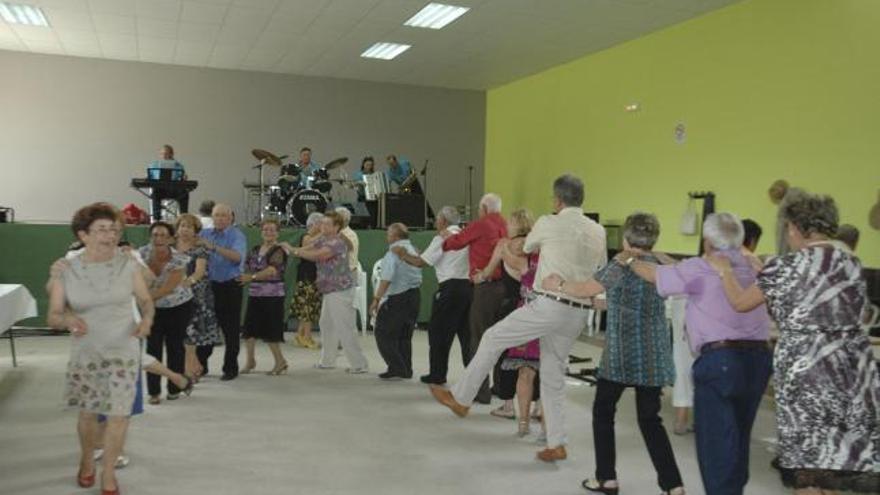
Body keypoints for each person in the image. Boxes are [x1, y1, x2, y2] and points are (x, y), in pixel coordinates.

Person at [708, 194, 880, 494]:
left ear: (794, 228)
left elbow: (740, 302)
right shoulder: (851, 263)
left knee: (807, 468)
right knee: (833, 463)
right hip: (850, 373)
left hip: (807, 375)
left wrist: (724, 271)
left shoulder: (786, 264)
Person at [431, 175, 606, 463]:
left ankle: (461, 399)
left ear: (557, 200)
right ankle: (556, 442)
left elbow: (526, 248)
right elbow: (599, 269)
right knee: (552, 376)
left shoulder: (549, 223)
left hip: (550, 303)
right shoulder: (597, 230)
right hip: (577, 311)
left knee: (492, 338)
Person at [626, 212, 771, 495]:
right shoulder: (754, 266)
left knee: (716, 447)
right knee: (738, 441)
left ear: (706, 242)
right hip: (758, 362)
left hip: (721, 362)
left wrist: (631, 260)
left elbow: (655, 275)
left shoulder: (702, 267)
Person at [543, 212, 684, 495]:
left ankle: (607, 479)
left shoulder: (620, 264)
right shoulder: (662, 266)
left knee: (603, 413)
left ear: (626, 238)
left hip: (622, 355)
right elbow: (628, 300)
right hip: (652, 356)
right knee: (651, 420)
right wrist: (604, 304)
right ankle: (674, 486)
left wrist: (556, 284)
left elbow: (584, 289)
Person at [47, 203, 154, 495]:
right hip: (88, 353)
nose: (110, 235)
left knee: (120, 414)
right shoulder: (66, 267)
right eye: (102, 230)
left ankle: (108, 475)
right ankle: (86, 460)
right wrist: (68, 318)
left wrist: (146, 319)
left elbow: (146, 300)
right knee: (89, 415)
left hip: (124, 348)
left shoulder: (128, 262)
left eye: (114, 229)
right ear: (83, 235)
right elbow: (53, 315)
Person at [440, 193, 508, 403]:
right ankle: (502, 387)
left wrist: (444, 239)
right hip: (507, 288)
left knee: (478, 338)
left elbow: (456, 242)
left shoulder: (482, 224)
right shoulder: (506, 224)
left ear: (484, 208)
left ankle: (480, 392)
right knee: (502, 340)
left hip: (485, 287)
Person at [474, 209, 539, 426]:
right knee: (537, 357)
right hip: (538, 306)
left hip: (513, 304)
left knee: (507, 357)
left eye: (510, 222)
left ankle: (508, 405)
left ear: (515, 224)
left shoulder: (505, 245)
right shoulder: (537, 246)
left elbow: (488, 271)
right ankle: (539, 406)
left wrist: (478, 277)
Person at [393, 206, 470, 385]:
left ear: (443, 221)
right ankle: (474, 378)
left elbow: (421, 263)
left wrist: (403, 254)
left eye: (437, 219)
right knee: (467, 336)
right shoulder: (465, 236)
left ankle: (437, 374)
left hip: (449, 288)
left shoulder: (440, 238)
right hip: (467, 288)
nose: (435, 223)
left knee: (439, 333)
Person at [290, 211, 369, 373]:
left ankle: (359, 364)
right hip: (329, 288)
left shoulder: (337, 242)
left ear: (337, 227)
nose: (322, 226)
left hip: (339, 290)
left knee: (345, 326)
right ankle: (328, 360)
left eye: (327, 224)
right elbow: (309, 247)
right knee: (326, 323)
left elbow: (317, 256)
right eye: (322, 223)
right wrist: (292, 248)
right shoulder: (323, 238)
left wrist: (294, 251)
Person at [140, 221, 194, 404]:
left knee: (175, 347)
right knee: (152, 348)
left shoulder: (179, 259)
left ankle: (174, 388)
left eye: (163, 235)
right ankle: (153, 392)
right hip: (153, 308)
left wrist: (143, 299)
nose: (159, 239)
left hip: (178, 306)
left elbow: (167, 289)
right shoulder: (141, 254)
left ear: (171, 238)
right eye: (155, 235)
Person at [199, 203, 247, 381]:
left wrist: (213, 247)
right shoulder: (204, 233)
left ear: (231, 218)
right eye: (216, 215)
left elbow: (237, 257)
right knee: (207, 329)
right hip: (209, 287)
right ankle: (200, 366)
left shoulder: (237, 235)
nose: (219, 219)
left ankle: (230, 368)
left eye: (223, 216)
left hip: (230, 286)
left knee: (231, 330)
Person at [371, 223, 422, 380]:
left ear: (395, 237)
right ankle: (406, 368)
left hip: (399, 297)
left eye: (388, 234)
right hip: (414, 296)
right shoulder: (413, 249)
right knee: (404, 336)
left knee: (382, 332)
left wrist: (376, 299)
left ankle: (397, 367)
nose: (387, 236)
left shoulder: (393, 252)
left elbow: (386, 278)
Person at [239, 219, 290, 375]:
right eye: (265, 230)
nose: (268, 233)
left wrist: (252, 277)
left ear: (277, 233)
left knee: (271, 331)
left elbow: (272, 270)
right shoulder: (255, 249)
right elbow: (246, 266)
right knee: (249, 330)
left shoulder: (279, 250)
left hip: (273, 296)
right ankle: (250, 361)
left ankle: (280, 361)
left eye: (272, 230)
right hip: (255, 294)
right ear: (261, 232)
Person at [174, 214, 222, 380]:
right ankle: (193, 366)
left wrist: (188, 282)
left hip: (197, 295)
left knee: (191, 333)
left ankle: (190, 368)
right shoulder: (170, 246)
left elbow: (200, 271)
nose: (184, 229)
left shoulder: (200, 248)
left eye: (189, 227)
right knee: (180, 334)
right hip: (173, 295)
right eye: (182, 226)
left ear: (195, 231)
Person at [290, 212, 323, 349]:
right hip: (307, 275)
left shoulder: (318, 238)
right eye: (321, 224)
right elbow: (311, 245)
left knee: (310, 305)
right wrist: (325, 232)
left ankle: (300, 335)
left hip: (315, 275)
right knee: (307, 306)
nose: (323, 227)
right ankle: (307, 337)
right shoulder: (306, 237)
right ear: (314, 224)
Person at [146, 144, 189, 220]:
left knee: (184, 193)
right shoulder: (153, 165)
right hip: (160, 190)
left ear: (171, 154)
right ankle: (157, 219)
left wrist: (184, 178)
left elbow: (181, 179)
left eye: (166, 153)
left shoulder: (178, 166)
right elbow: (149, 177)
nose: (164, 156)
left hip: (174, 190)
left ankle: (183, 218)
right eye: (162, 154)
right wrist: (147, 177)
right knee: (155, 193)